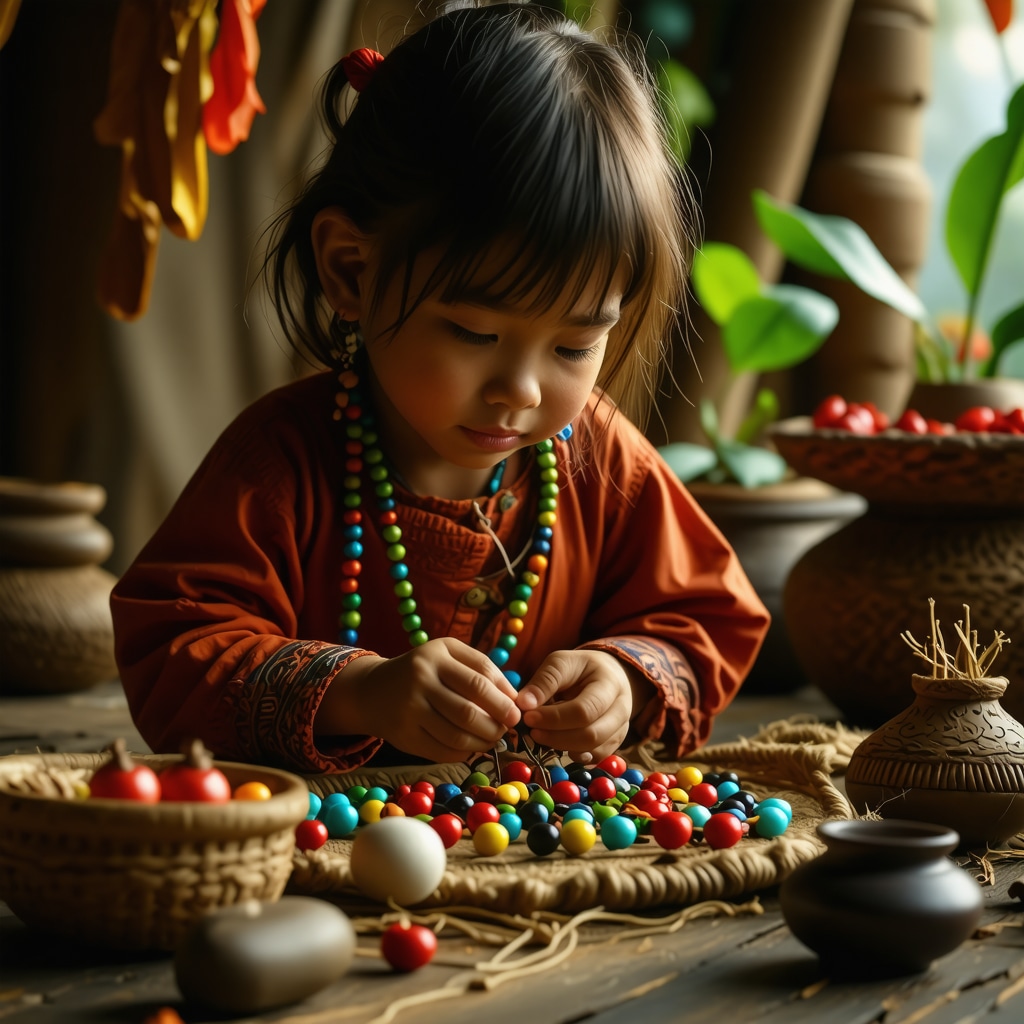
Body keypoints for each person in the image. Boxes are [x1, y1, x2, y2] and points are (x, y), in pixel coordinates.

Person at [110, 1, 769, 775]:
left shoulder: (600, 460)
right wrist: (359, 691)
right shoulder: (281, 461)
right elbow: (174, 647)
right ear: (351, 270)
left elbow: (708, 616)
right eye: (473, 334)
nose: (519, 389)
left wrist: (625, 678)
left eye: (574, 344)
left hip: (537, 863)